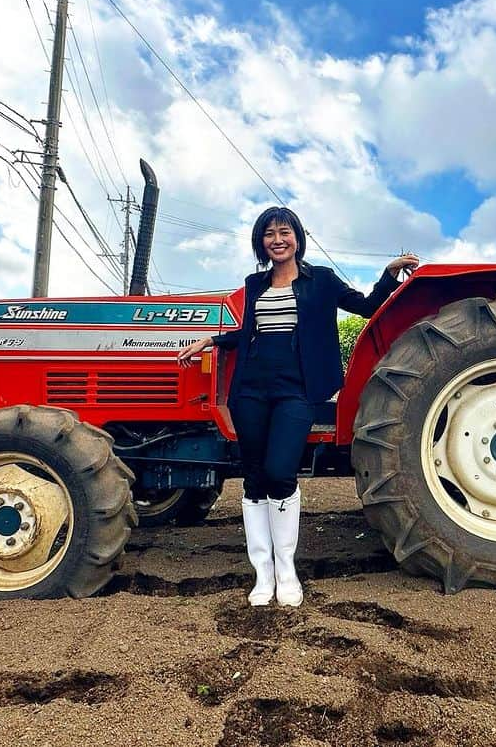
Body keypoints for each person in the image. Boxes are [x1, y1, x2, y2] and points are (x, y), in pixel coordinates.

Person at [176, 207, 418, 607]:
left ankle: (286, 570)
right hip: (251, 387)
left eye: (283, 232)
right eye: (269, 234)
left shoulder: (320, 280)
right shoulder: (255, 283)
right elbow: (252, 331)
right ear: (261, 241)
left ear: (296, 238)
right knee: (253, 477)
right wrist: (213, 342)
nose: (277, 240)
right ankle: (263, 573)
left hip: (297, 388)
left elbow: (368, 306)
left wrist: (389, 272)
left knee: (279, 471)